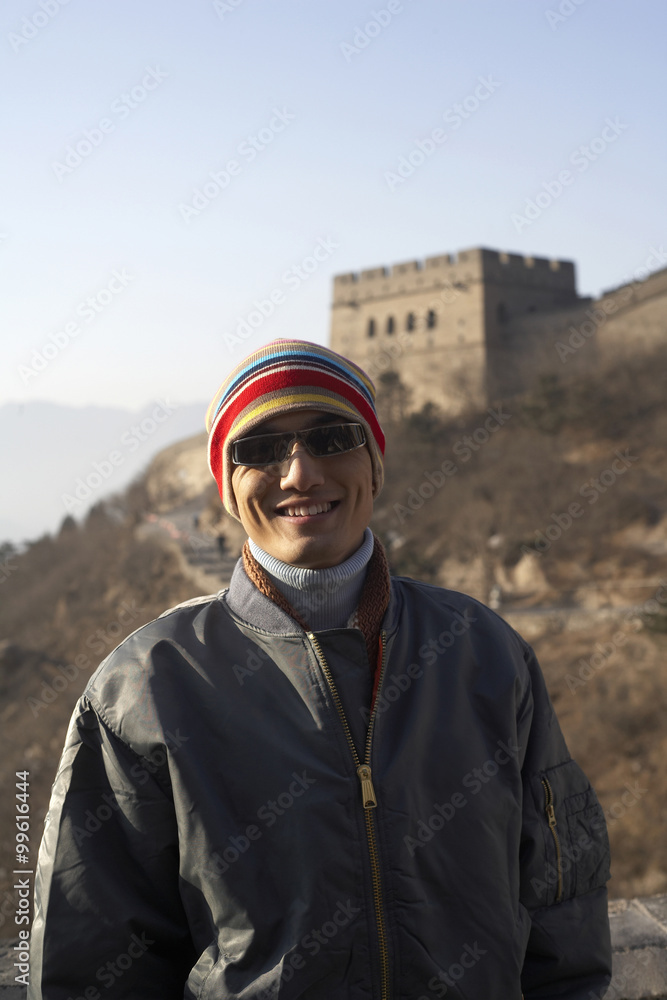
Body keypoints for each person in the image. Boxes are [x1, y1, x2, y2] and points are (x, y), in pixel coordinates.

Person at [29, 339, 612, 999]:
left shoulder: (483, 650)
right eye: (259, 450)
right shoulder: (147, 686)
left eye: (331, 437)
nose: (300, 473)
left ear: (373, 464)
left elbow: (563, 904)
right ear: (226, 488)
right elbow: (92, 960)